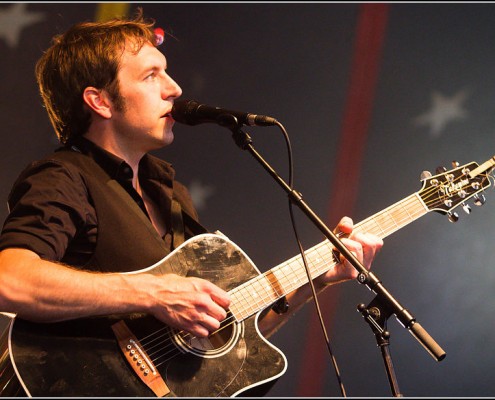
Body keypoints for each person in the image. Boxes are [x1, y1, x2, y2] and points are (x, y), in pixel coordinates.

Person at [0, 8, 383, 397]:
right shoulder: (64, 176)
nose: (174, 88)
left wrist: (312, 280)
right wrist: (153, 292)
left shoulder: (171, 195)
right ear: (100, 102)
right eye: (152, 76)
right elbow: (9, 279)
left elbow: (217, 338)